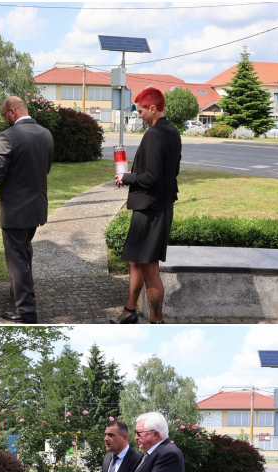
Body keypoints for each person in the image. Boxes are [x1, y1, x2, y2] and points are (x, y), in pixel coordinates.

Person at [113, 87, 182, 325]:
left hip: (150, 210)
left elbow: (151, 178)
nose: (139, 116)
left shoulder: (153, 135)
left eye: (141, 111)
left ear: (153, 108)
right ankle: (129, 310)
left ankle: (156, 323)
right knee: (136, 261)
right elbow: (170, 172)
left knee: (150, 269)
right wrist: (137, 173)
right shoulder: (172, 132)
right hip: (157, 206)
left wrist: (127, 177)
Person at [0, 95, 54, 324]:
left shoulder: (8, 136)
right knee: (24, 251)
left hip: (14, 209)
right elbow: (46, 168)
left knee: (17, 258)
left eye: (4, 115)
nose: (5, 120)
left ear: (12, 112)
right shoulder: (46, 134)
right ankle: (18, 291)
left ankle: (26, 311)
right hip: (36, 207)